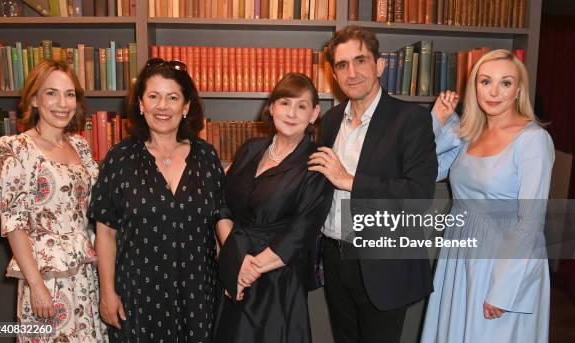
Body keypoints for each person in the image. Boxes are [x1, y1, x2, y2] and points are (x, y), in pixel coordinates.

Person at [308, 26, 437, 343]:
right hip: (335, 258)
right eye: (342, 65)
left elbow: (418, 196)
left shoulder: (411, 120)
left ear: (379, 66)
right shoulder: (331, 119)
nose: (352, 73)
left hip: (383, 264)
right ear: (334, 74)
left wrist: (348, 180)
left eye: (360, 61)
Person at [420, 49, 554, 342]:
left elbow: (531, 222)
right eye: (485, 82)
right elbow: (426, 171)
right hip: (460, 252)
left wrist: (505, 289)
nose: (493, 92)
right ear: (474, 87)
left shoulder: (533, 140)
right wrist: (436, 120)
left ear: (518, 88)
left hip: (501, 260)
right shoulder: (469, 132)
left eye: (505, 83)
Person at [88, 58, 224, 342]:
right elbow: (106, 233)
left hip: (198, 296)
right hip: (138, 298)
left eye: (173, 97)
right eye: (154, 96)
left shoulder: (207, 157)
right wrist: (107, 293)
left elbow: (221, 225)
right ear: (140, 104)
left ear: (186, 106)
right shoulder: (120, 158)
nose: (163, 106)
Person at [0, 60, 108, 341]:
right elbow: (14, 223)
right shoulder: (14, 149)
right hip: (46, 279)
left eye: (69, 94)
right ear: (34, 98)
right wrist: (36, 286)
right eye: (51, 93)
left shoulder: (80, 145)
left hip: (86, 276)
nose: (62, 103)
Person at [213, 72, 331, 343]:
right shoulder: (250, 149)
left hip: (278, 281)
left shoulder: (317, 162)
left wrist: (251, 268)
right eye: (285, 103)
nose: (291, 113)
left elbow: (302, 233)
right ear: (272, 107)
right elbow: (222, 207)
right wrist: (236, 260)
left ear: (314, 114)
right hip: (236, 269)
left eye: (301, 106)